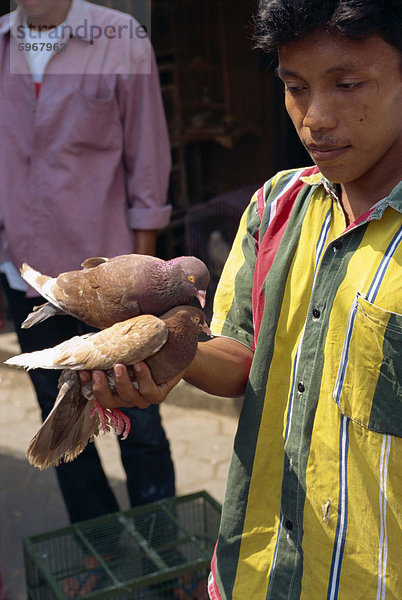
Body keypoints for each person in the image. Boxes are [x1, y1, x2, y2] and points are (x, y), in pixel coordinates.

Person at [89, 0, 402, 598]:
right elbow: (241, 356)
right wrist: (171, 355)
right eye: (295, 87)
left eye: (348, 84)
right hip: (254, 570)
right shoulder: (276, 205)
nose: (315, 118)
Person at [0, 0, 175, 591]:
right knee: (61, 415)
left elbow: (146, 159)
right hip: (24, 276)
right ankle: (97, 546)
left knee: (136, 415)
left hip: (108, 287)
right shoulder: (2, 45)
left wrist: (142, 281)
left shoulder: (120, 37)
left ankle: (163, 551)